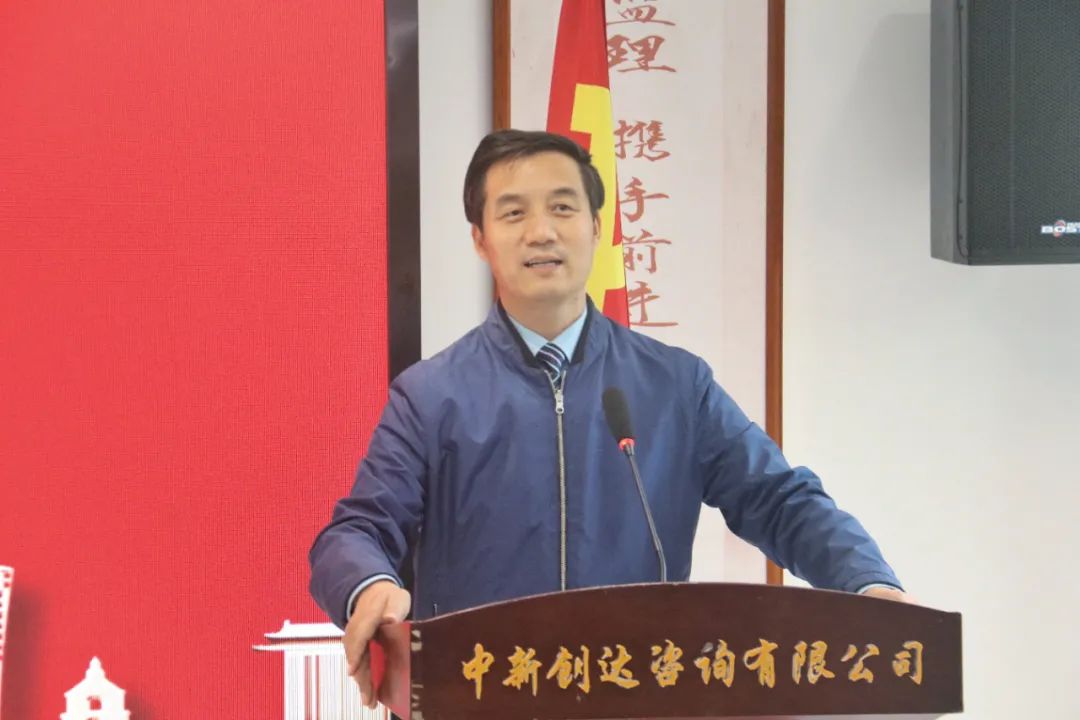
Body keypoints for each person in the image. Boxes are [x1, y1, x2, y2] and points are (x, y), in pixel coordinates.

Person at [308, 129, 910, 707]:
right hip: (477, 697)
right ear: (480, 239)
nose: (541, 232)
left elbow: (779, 499)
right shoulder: (431, 394)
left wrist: (867, 582)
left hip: (641, 696)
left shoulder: (675, 385)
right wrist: (370, 585)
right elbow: (357, 531)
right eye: (513, 213)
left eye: (562, 207)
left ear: (597, 227)